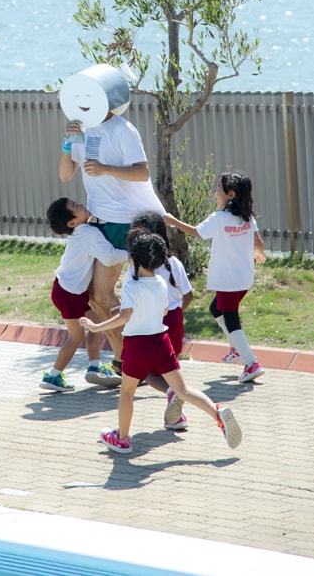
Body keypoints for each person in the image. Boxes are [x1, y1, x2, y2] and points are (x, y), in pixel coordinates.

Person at [80, 228, 242, 456]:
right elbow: (164, 308)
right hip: (161, 341)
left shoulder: (131, 286)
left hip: (137, 346)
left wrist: (97, 326)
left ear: (134, 260)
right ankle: (217, 413)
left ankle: (122, 439)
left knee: (127, 393)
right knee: (183, 390)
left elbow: (124, 317)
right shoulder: (159, 282)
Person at [58, 108, 165, 369]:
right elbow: (65, 174)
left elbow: (142, 173)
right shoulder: (83, 128)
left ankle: (129, 359)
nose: (83, 107)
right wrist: (67, 142)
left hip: (122, 220)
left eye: (89, 99)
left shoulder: (122, 129)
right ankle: (124, 359)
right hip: (99, 220)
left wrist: (106, 169)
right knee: (96, 298)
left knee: (102, 296)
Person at [165, 170, 266, 385]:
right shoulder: (247, 218)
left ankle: (251, 362)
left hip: (228, 280)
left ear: (230, 195)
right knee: (215, 309)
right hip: (243, 280)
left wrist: (173, 221)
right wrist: (259, 254)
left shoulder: (219, 219)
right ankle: (235, 348)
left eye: (218, 189)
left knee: (232, 321)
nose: (215, 193)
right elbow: (259, 243)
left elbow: (195, 232)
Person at [40, 196, 128, 391]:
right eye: (76, 206)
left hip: (68, 290)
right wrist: (132, 253)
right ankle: (53, 376)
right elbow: (109, 255)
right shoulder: (88, 232)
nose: (81, 204)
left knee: (95, 324)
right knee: (76, 336)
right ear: (72, 222)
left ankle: (94, 367)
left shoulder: (80, 232)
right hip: (69, 293)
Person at [129, 209, 193, 432]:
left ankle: (171, 394)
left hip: (151, 326)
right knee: (171, 367)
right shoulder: (174, 262)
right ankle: (176, 416)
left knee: (146, 371)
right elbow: (188, 295)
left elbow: (133, 305)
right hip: (175, 320)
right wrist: (176, 313)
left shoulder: (137, 269)